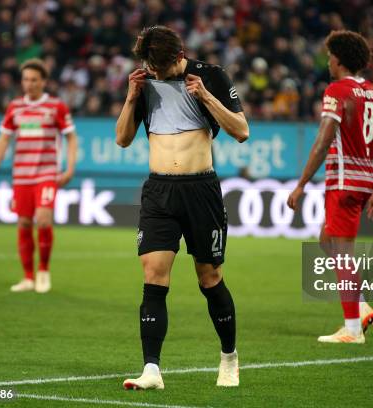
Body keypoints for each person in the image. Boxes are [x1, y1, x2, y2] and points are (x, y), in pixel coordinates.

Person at [115, 26, 249, 390]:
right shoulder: (144, 82)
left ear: (179, 55)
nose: (155, 74)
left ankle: (229, 357)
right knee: (153, 275)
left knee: (210, 279)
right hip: (159, 191)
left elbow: (241, 130)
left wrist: (206, 98)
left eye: (161, 68)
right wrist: (130, 98)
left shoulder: (210, 77)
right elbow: (123, 139)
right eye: (150, 67)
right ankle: (152, 370)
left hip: (200, 190)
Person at [287, 30, 373, 344]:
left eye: (330, 55)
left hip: (343, 182)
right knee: (326, 240)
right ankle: (359, 305)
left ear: (340, 58)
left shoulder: (336, 90)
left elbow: (322, 141)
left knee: (342, 254)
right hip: (363, 182)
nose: (327, 60)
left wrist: (301, 183)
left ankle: (352, 329)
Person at [0, 58, 78, 293]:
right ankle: (27, 277)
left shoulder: (56, 106)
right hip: (22, 175)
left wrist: (69, 168)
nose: (29, 84)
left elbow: (71, 137)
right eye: (26, 79)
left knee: (43, 219)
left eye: (34, 80)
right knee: (24, 222)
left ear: (43, 82)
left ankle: (43, 271)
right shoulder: (15, 107)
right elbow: (3, 139)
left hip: (46, 173)